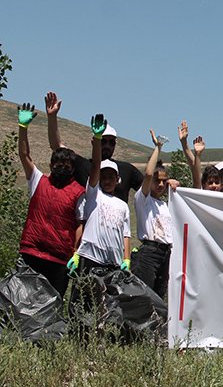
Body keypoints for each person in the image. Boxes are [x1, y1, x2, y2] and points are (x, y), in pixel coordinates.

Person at [16, 102, 85, 297]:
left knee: (51, 309)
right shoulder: (38, 180)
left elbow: (80, 224)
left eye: (67, 165)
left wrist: (75, 253)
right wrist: (23, 128)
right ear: (51, 164)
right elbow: (24, 154)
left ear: (73, 169)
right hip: (31, 252)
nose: (62, 167)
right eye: (58, 163)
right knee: (21, 304)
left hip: (59, 259)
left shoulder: (78, 192)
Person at [45, 91, 143, 202]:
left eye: (111, 142)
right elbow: (56, 146)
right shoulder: (83, 166)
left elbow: (149, 189)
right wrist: (52, 117)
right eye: (103, 141)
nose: (107, 145)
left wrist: (167, 183)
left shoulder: (126, 169)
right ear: (94, 142)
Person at [68, 114, 132, 275]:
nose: (107, 180)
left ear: (118, 179)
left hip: (114, 262)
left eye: (111, 177)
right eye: (104, 176)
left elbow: (126, 234)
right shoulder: (94, 194)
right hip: (90, 257)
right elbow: (96, 166)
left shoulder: (123, 206)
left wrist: (126, 259)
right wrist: (97, 139)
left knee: (107, 301)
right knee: (83, 299)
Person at [132, 130, 179, 298]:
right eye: (157, 181)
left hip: (166, 253)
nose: (160, 184)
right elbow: (148, 173)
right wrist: (158, 148)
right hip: (149, 253)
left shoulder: (166, 206)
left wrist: (176, 186)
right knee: (144, 296)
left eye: (163, 181)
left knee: (159, 297)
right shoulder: (143, 199)